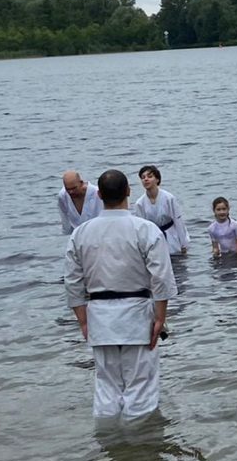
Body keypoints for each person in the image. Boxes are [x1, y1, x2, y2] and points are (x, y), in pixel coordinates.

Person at [64, 169, 178, 421]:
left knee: (106, 388)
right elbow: (162, 278)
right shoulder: (145, 230)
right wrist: (160, 317)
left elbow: (72, 282)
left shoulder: (81, 233)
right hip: (136, 316)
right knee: (141, 388)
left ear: (100, 195)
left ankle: (110, 448)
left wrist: (83, 320)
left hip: (100, 318)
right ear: (128, 191)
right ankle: (140, 450)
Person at [132, 165, 190, 255]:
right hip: (153, 238)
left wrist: (183, 243)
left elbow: (178, 220)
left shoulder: (168, 198)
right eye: (143, 178)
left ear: (157, 179)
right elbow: (141, 228)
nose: (146, 179)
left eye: (150, 176)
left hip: (171, 236)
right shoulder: (140, 203)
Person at [58, 170, 104, 234]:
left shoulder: (97, 193)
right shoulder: (63, 195)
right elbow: (65, 220)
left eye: (74, 188)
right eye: (68, 189)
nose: (71, 192)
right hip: (76, 235)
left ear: (81, 183)